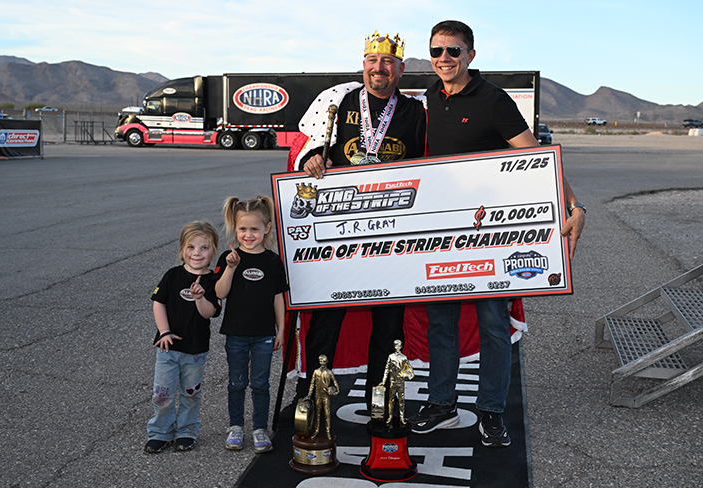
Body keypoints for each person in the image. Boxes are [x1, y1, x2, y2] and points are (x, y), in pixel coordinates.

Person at [408, 20, 586, 447]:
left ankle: (491, 410)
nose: (444, 58)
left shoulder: (493, 99)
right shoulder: (431, 96)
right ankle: (442, 404)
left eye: (453, 50)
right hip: (443, 233)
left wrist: (573, 205)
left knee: (492, 325)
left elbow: (537, 156)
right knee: (441, 324)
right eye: (436, 51)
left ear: (470, 54)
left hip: (489, 232)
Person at [291, 30, 426, 405]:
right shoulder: (338, 101)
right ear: (363, 64)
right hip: (342, 232)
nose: (379, 68)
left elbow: (432, 164)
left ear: (400, 69)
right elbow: (308, 146)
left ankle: (380, 402)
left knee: (389, 324)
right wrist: (310, 158)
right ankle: (311, 397)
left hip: (392, 235)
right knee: (326, 320)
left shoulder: (416, 111)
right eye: (372, 60)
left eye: (387, 62)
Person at [214, 195, 289, 454]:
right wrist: (230, 268)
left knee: (260, 384)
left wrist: (281, 329)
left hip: (264, 335)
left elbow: (278, 297)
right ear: (235, 228)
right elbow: (220, 293)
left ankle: (259, 429)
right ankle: (235, 427)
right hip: (235, 333)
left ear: (267, 228)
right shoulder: (229, 257)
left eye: (254, 229)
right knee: (236, 383)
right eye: (242, 229)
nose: (248, 235)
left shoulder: (273, 261)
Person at [145, 221, 222, 454]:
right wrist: (164, 331)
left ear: (213, 251)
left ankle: (187, 431)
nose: (197, 253)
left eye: (204, 248)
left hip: (196, 349)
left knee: (191, 393)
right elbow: (158, 303)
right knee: (162, 394)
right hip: (167, 348)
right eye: (191, 247)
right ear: (182, 249)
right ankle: (160, 432)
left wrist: (199, 297)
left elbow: (210, 312)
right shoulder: (173, 275)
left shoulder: (214, 280)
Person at [380, 339, 414, 426]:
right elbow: (387, 369)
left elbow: (410, 370)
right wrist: (383, 381)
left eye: (399, 345)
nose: (397, 347)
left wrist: (409, 376)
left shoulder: (404, 358)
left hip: (401, 382)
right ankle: (390, 416)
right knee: (391, 400)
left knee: (401, 400)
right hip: (392, 382)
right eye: (396, 345)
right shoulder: (391, 357)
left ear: (401, 346)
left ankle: (401, 417)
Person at [306, 354, 340, 439]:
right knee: (317, 414)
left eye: (324, 361)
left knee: (327, 414)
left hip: (326, 396)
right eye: (321, 361)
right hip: (318, 396)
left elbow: (334, 381)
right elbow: (312, 384)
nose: (322, 363)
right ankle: (316, 430)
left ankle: (328, 431)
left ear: (327, 362)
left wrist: (337, 390)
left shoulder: (329, 372)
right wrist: (309, 395)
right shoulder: (316, 372)